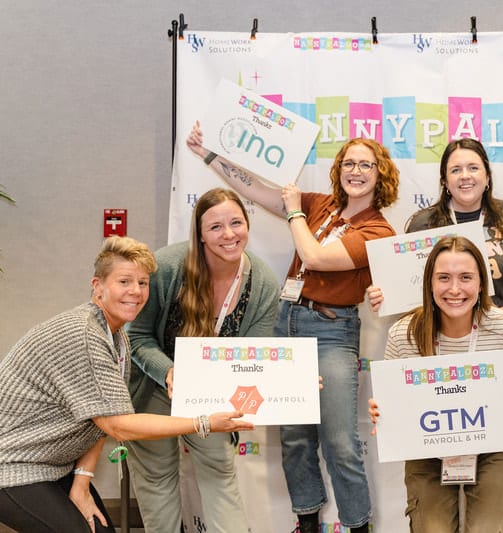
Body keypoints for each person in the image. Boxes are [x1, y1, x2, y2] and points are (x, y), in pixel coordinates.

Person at [187, 122, 400, 533]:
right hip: (287, 322)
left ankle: (358, 526)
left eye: (366, 165)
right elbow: (255, 190)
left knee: (340, 441)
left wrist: (295, 211)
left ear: (381, 175)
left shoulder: (377, 229)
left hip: (332, 330)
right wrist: (211, 155)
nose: (355, 171)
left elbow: (315, 257)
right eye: (348, 163)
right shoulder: (321, 204)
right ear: (338, 169)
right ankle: (307, 520)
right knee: (295, 438)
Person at [0, 236, 254, 533]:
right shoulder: (84, 335)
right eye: (124, 281)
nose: (136, 291)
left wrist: (82, 483)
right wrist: (203, 422)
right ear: (98, 286)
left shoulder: (116, 335)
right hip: (13, 466)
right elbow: (118, 426)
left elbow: (99, 422)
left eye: (143, 283)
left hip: (53, 465)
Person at [126, 188, 281, 532]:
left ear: (247, 224)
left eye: (236, 223)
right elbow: (137, 336)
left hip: (213, 395)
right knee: (157, 480)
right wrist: (168, 372)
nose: (228, 234)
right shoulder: (167, 267)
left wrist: (289, 382)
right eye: (215, 227)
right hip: (155, 386)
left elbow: (252, 357)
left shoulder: (263, 283)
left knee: (220, 472)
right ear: (199, 234)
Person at [368, 236, 503, 533]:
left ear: (481, 283)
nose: (455, 289)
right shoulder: (403, 334)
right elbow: (393, 403)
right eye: (444, 278)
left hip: (492, 447)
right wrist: (384, 411)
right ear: (429, 283)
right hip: (427, 449)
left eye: (466, 277)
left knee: (488, 528)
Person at [368, 137, 503, 316]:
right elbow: (407, 287)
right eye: (455, 170)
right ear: (444, 180)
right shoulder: (424, 224)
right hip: (441, 330)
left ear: (487, 176)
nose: (465, 176)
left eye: (473, 168)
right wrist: (385, 296)